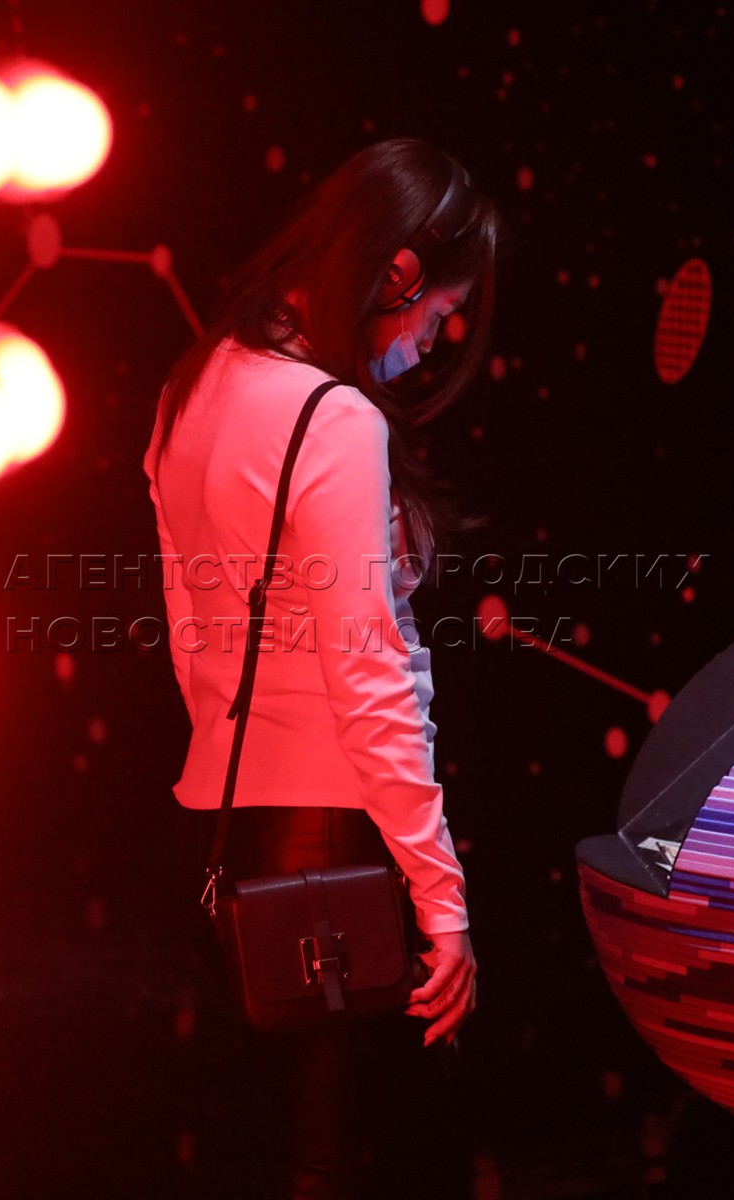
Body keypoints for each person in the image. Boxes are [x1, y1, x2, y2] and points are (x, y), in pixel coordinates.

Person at [143, 138, 509, 1199]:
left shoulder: (192, 384)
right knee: (345, 1164)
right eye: (437, 316)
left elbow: (188, 632)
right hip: (331, 842)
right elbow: (371, 676)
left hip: (217, 823)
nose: (428, 347)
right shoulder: (332, 418)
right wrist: (442, 897)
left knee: (270, 1152)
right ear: (397, 271)